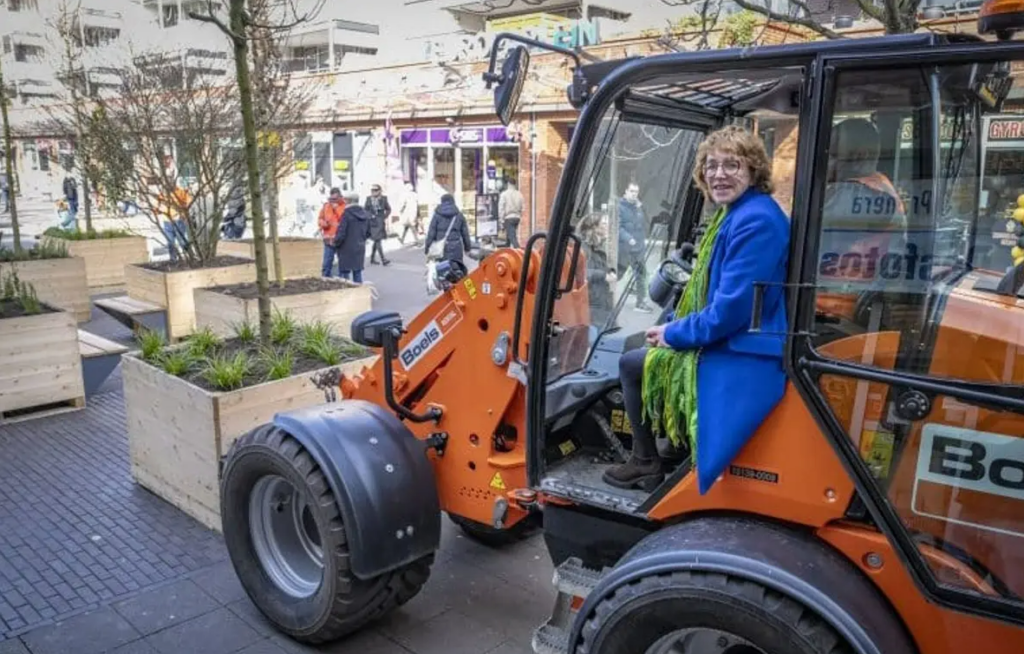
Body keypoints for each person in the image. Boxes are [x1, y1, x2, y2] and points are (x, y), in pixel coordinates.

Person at [602, 125, 791, 494]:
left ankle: (645, 461)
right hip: (736, 338)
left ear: (753, 170)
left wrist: (673, 333)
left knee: (631, 362)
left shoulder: (755, 221)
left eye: (732, 165)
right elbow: (710, 293)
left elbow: (728, 311)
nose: (718, 174)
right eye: (711, 165)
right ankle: (670, 446)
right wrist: (674, 325)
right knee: (639, 346)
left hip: (742, 352)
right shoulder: (739, 212)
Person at [617, 183, 653, 313]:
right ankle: (601, 294)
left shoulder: (638, 207)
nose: (634, 194)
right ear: (626, 192)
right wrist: (628, 238)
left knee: (641, 274)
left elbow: (646, 223)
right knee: (618, 274)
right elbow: (617, 227)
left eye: (636, 192)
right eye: (632, 191)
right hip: (625, 248)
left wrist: (641, 208)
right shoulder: (620, 207)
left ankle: (640, 302)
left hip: (638, 248)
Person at [333, 190, 371, 283]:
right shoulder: (365, 214)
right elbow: (369, 232)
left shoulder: (346, 214)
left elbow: (341, 233)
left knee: (345, 275)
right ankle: (359, 294)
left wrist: (336, 243)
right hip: (359, 247)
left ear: (349, 201)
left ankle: (347, 294)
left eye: (345, 200)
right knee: (357, 272)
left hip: (346, 248)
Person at [424, 193, 472, 265]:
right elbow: (465, 234)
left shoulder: (437, 215)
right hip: (456, 248)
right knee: (457, 269)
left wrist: (427, 248)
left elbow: (431, 233)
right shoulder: (459, 215)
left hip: (441, 248)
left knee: (442, 269)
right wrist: (467, 248)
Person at [318, 187, 346, 277]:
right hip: (328, 239)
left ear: (340, 197)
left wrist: (336, 208)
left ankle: (344, 282)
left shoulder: (344, 206)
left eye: (335, 199)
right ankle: (325, 280)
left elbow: (344, 219)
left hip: (340, 239)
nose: (333, 201)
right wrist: (323, 223)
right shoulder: (326, 206)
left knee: (343, 264)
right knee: (326, 263)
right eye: (331, 199)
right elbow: (320, 218)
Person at [365, 183, 392, 266]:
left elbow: (389, 209)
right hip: (372, 223)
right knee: (377, 240)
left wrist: (384, 216)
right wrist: (370, 216)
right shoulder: (369, 199)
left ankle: (372, 258)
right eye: (372, 190)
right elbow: (365, 210)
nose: (374, 192)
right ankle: (383, 259)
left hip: (380, 222)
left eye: (376, 190)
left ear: (380, 191)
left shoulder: (384, 199)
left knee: (377, 240)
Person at [498, 179, 524, 248]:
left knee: (512, 237)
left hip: (508, 218)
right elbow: (522, 207)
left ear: (508, 184)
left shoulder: (504, 194)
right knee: (509, 237)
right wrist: (520, 215)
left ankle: (520, 253)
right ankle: (507, 250)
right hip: (517, 217)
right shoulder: (519, 194)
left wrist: (501, 220)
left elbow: (501, 208)